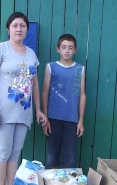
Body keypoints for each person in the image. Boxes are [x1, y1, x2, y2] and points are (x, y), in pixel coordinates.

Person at [0, 12, 46, 185]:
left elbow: (35, 84)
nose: (19, 29)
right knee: (3, 153)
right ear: (9, 28)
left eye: (22, 26)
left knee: (14, 155)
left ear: (27, 29)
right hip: (2, 112)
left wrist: (39, 110)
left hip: (23, 112)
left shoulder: (31, 54)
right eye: (15, 25)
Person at [42, 34, 86, 169]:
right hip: (53, 119)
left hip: (72, 120)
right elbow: (45, 92)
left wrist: (80, 121)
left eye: (70, 48)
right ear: (58, 49)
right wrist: (45, 119)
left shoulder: (80, 69)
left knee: (69, 158)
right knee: (52, 156)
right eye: (64, 47)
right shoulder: (51, 67)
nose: (67, 50)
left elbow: (82, 95)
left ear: (75, 50)